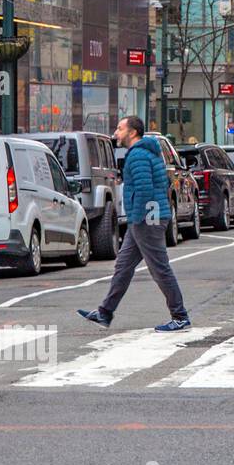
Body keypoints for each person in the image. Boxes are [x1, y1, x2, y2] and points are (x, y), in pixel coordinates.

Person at [78, 116, 191, 332]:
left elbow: (145, 189)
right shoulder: (148, 152)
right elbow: (162, 182)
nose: (116, 133)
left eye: (120, 128)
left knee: (159, 268)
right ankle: (104, 312)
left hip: (146, 218)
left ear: (132, 133)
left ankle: (180, 316)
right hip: (146, 216)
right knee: (123, 266)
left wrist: (137, 218)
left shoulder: (138, 155)